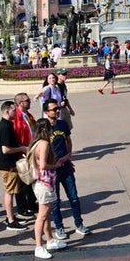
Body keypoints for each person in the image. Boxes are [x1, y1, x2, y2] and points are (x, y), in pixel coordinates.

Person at [43, 99, 90, 241]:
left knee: (74, 197)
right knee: (55, 200)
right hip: (52, 170)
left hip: (66, 167)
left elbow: (68, 141)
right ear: (46, 112)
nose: (57, 111)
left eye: (57, 108)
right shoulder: (43, 127)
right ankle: (59, 227)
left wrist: (68, 155)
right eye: (54, 109)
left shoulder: (63, 124)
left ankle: (79, 224)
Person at [0, 100, 29, 231]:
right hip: (7, 165)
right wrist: (21, 148)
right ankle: (10, 221)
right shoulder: (5, 126)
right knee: (9, 192)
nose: (16, 112)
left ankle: (11, 217)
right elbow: (5, 149)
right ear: (6, 111)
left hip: (9, 164)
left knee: (12, 191)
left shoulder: (7, 124)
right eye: (14, 110)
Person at [30, 118, 60, 259]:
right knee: (42, 216)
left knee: (46, 214)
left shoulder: (34, 143)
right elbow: (43, 165)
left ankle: (50, 240)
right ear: (46, 130)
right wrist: (55, 166)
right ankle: (38, 246)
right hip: (45, 183)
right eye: (50, 129)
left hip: (40, 183)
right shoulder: (44, 144)